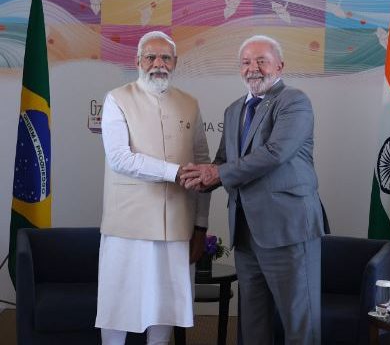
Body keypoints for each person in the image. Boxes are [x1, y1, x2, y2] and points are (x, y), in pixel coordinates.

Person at [180, 35, 324, 345]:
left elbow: (274, 153)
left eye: (261, 61)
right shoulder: (234, 110)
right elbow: (223, 162)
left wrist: (217, 172)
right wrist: (198, 176)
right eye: (246, 62)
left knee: (300, 323)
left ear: (280, 65)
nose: (253, 68)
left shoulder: (294, 102)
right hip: (246, 234)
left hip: (289, 230)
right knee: (253, 324)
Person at [95, 31, 210, 345]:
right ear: (137, 61)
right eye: (151, 57)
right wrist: (174, 172)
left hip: (177, 227)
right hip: (127, 226)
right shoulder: (117, 98)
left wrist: (200, 225)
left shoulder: (190, 103)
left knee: (165, 311)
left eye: (166, 57)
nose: (158, 64)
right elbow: (119, 158)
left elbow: (202, 164)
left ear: (175, 62)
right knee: (117, 308)